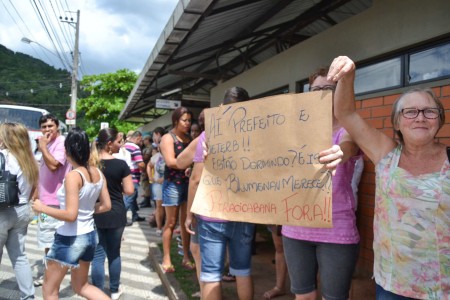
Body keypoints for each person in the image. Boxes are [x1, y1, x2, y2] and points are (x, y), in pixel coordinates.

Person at [328, 56, 450, 299]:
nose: (420, 117)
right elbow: (345, 113)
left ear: (440, 119)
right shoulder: (386, 153)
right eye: (410, 111)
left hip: (443, 288)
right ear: (396, 121)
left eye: (429, 111)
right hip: (392, 283)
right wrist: (349, 74)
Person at [281, 67, 363, 300]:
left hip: (336, 229)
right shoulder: (294, 131)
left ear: (339, 92)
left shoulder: (348, 130)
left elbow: (349, 147)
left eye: (328, 88)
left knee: (335, 297)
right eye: (315, 89)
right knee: (303, 295)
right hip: (295, 227)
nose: (321, 93)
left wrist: (340, 152)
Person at [185, 87, 258, 300]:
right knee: (243, 271)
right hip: (245, 213)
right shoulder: (255, 137)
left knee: (210, 275)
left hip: (212, 214)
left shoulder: (209, 136)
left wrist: (189, 215)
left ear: (221, 108)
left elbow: (196, 179)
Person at [31, 127, 111, 299]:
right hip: (89, 235)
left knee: (49, 288)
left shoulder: (74, 176)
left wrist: (42, 208)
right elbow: (106, 205)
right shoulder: (98, 173)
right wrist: (87, 210)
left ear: (67, 151)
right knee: (81, 286)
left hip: (70, 238)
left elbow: (70, 215)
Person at [90, 128, 134, 299]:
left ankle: (97, 292)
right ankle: (115, 290)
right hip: (116, 211)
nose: (121, 145)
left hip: (96, 211)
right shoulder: (121, 165)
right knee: (114, 253)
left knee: (98, 254)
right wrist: (117, 190)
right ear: (109, 144)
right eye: (118, 141)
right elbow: (130, 190)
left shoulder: (91, 164)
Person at [0, 123, 39, 300]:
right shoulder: (30, 160)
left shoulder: (3, 156)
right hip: (23, 210)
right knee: (19, 256)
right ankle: (28, 295)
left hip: (2, 211)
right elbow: (33, 189)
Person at [33, 114, 71, 287]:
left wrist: (43, 147)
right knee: (51, 240)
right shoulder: (48, 144)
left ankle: (50, 278)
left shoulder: (61, 142)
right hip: (46, 198)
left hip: (54, 200)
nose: (47, 129)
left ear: (58, 127)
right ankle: (54, 272)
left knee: (50, 240)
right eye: (44, 127)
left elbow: (54, 165)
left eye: (50, 126)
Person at [159, 106, 194, 273]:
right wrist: (188, 164)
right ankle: (166, 258)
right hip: (173, 183)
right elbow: (171, 162)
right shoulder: (168, 138)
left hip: (188, 183)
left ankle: (186, 256)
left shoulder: (188, 138)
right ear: (176, 120)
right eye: (184, 120)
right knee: (171, 222)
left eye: (189, 120)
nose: (187, 123)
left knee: (186, 222)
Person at [124, 130, 146, 226]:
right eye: (140, 140)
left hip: (125, 175)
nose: (141, 142)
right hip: (133, 176)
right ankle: (120, 218)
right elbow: (140, 163)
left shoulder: (124, 146)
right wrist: (145, 168)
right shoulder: (135, 147)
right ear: (137, 138)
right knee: (130, 197)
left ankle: (135, 215)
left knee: (132, 197)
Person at [148, 142, 165, 236]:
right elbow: (149, 166)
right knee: (159, 206)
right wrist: (150, 176)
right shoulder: (156, 156)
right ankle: (159, 227)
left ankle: (167, 226)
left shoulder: (172, 155)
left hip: (169, 183)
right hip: (157, 184)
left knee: (168, 206)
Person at [139, 135, 153, 208]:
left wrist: (138, 156)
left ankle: (147, 201)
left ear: (147, 139)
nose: (143, 141)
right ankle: (145, 199)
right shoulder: (145, 148)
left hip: (147, 168)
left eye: (144, 140)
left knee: (146, 185)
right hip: (144, 168)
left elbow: (146, 157)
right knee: (144, 184)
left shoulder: (150, 147)